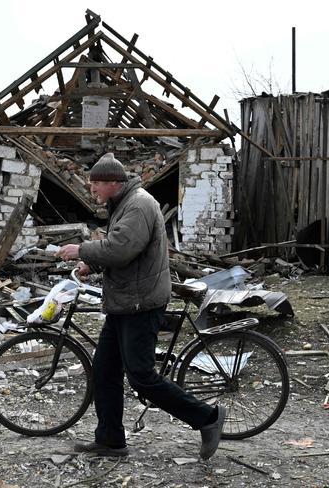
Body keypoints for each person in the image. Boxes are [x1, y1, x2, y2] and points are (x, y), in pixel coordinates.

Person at [56, 153, 226, 459]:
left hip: (140, 303)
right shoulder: (124, 203)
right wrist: (91, 266)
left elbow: (120, 249)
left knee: (142, 378)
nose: (92, 189)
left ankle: (208, 418)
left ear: (112, 182)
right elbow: (125, 252)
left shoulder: (137, 204)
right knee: (105, 371)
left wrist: (81, 250)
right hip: (125, 301)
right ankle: (110, 440)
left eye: (95, 184)